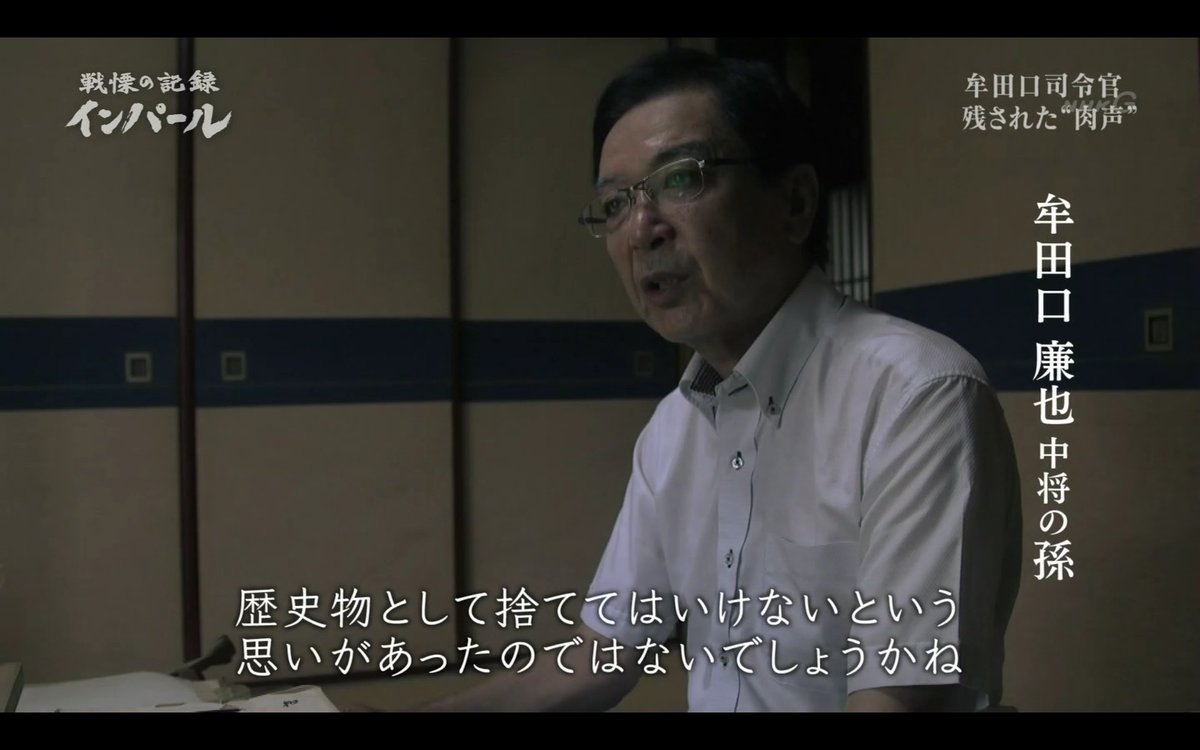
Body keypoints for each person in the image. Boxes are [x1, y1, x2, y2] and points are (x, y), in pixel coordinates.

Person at [423, 47, 1022, 712]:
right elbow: (599, 658)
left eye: (681, 178)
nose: (642, 230)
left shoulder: (916, 397)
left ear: (794, 202)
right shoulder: (674, 427)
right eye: (616, 203)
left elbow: (894, 702)